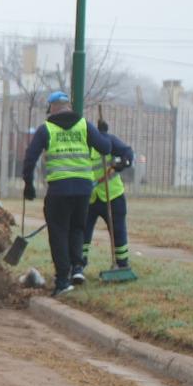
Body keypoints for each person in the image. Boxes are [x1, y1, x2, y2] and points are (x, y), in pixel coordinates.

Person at [20, 91, 134, 296]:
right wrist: (102, 134)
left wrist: (28, 184)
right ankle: (77, 269)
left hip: (59, 191)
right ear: (69, 107)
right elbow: (105, 147)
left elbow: (30, 158)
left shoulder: (46, 129)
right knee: (77, 229)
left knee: (58, 233)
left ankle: (63, 280)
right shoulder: (84, 125)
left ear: (51, 109)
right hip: (83, 191)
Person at [83, 115, 133, 275]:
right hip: (89, 198)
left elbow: (127, 152)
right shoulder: (82, 145)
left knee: (118, 231)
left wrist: (123, 163)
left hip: (113, 196)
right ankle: (78, 265)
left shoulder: (109, 141)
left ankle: (122, 265)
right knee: (82, 232)